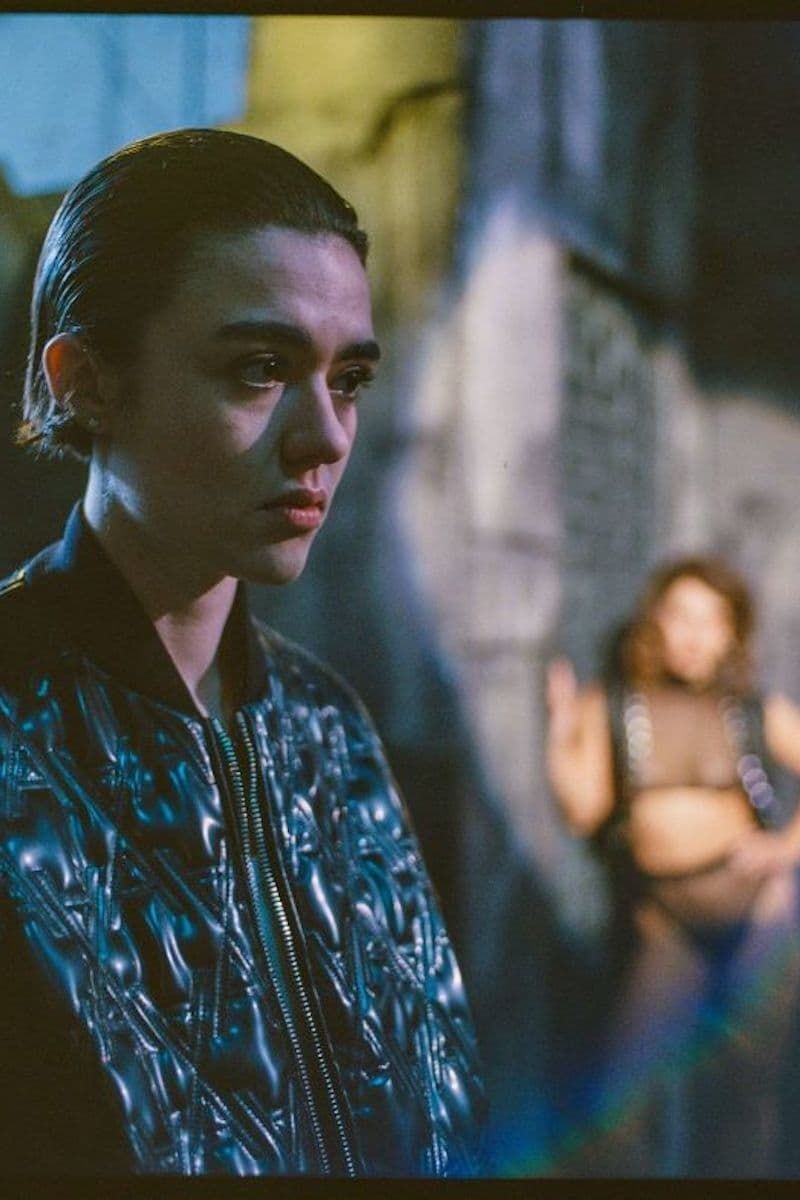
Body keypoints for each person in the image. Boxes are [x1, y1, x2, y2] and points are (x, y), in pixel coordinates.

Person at [0, 128, 487, 1176]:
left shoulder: (327, 724)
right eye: (259, 369)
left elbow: (444, 1110)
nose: (328, 438)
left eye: (349, 378)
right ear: (85, 380)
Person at [545, 556, 800, 1177]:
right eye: (681, 615)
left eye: (711, 621)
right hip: (668, 924)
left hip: (757, 915)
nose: (693, 634)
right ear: (655, 621)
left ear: (731, 635)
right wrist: (561, 733)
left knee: (744, 1094)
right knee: (621, 1100)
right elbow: (583, 812)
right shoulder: (615, 704)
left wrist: (784, 848)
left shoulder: (750, 708)